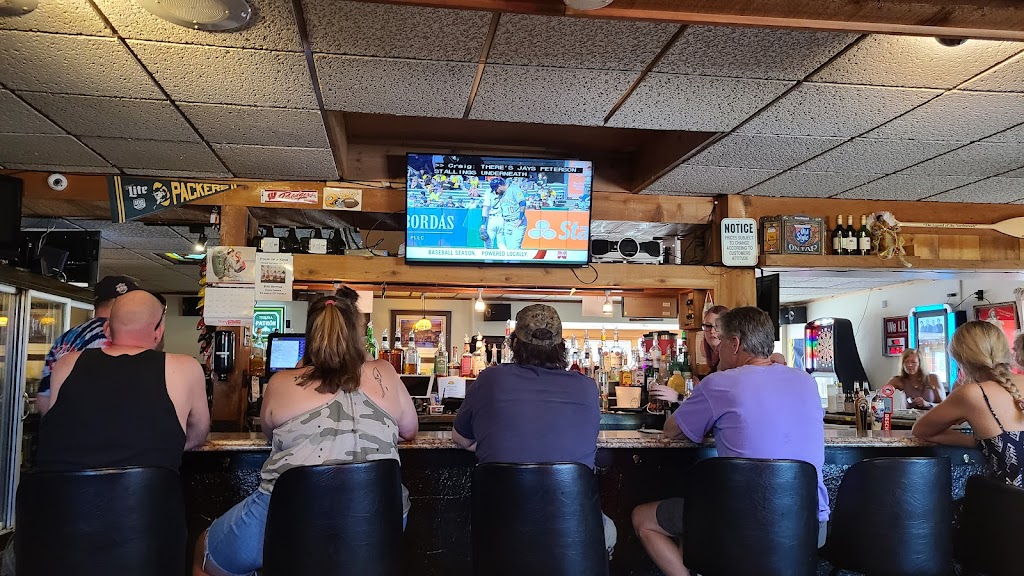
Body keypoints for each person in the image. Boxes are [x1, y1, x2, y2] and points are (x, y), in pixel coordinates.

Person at [194, 289, 418, 576]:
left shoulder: (281, 382)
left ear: (310, 334)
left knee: (204, 552)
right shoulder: (384, 372)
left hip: (291, 518)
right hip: (376, 522)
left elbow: (268, 430)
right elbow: (409, 430)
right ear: (357, 333)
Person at [632, 307, 829, 576]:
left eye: (721, 341)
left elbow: (671, 430)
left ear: (735, 343)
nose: (718, 349)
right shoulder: (806, 381)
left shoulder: (719, 383)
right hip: (807, 524)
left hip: (740, 524)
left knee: (643, 518)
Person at [452, 304, 617, 558]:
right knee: (609, 530)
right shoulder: (587, 387)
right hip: (571, 530)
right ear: (561, 345)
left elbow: (460, 438)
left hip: (501, 529)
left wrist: (488, 443)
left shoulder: (490, 379)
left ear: (514, 343)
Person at [35, 291, 210, 472]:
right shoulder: (185, 367)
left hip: (60, 496)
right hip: (148, 497)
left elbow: (57, 429)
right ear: (158, 332)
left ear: (107, 330)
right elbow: (197, 435)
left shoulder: (66, 364)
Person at [914, 321, 1024, 486]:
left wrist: (978, 441)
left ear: (961, 361)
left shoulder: (971, 394)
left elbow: (922, 431)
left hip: (1007, 505)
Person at [35, 275, 141, 415]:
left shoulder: (66, 338)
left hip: (63, 429)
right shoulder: (118, 336)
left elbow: (43, 398)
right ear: (122, 304)